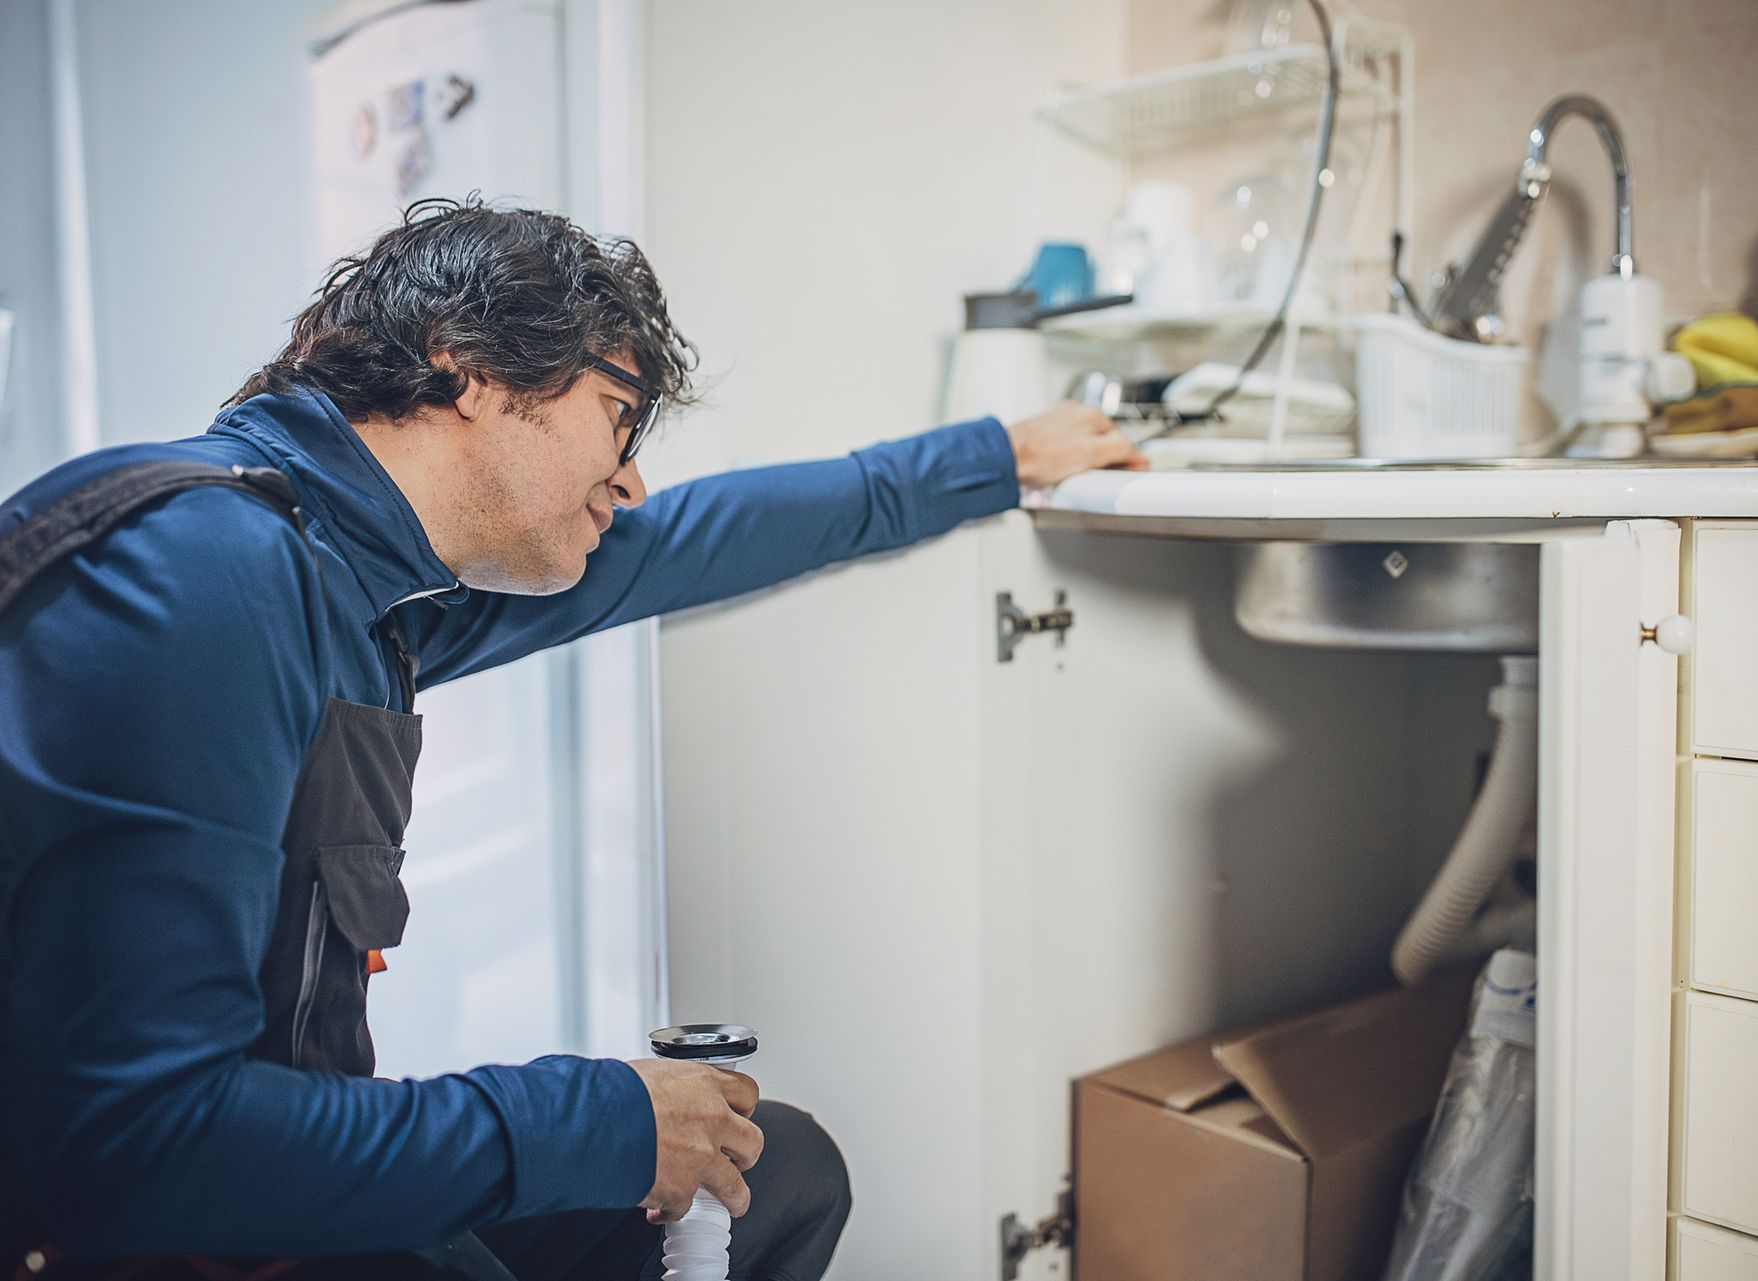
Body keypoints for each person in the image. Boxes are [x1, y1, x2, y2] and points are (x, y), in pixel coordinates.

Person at [0, 198, 1143, 1280]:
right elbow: (136, 1151)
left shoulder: (357, 588)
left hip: (247, 1200)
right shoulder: (197, 576)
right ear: (470, 370)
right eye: (620, 416)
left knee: (775, 1170)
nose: (633, 474)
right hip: (148, 1235)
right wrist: (591, 1122)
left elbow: (702, 537)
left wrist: (1006, 454)